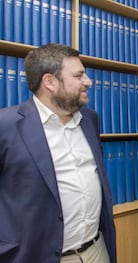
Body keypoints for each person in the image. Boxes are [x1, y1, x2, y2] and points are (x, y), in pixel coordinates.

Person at [0, 44, 116, 263]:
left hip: (97, 250)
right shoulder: (6, 126)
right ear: (50, 82)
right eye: (79, 75)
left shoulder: (90, 120)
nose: (88, 82)